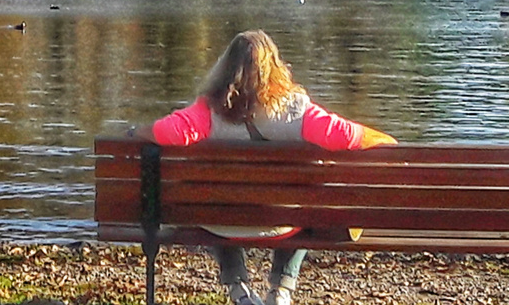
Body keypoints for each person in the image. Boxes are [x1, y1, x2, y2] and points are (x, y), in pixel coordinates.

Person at [145, 30, 397, 305]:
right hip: (282, 222)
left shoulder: (208, 110)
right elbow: (344, 136)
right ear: (275, 66)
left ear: (225, 67)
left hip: (221, 222)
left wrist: (136, 132)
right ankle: (281, 291)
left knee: (216, 201)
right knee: (308, 207)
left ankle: (238, 288)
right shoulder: (295, 110)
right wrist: (384, 140)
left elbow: (167, 133)